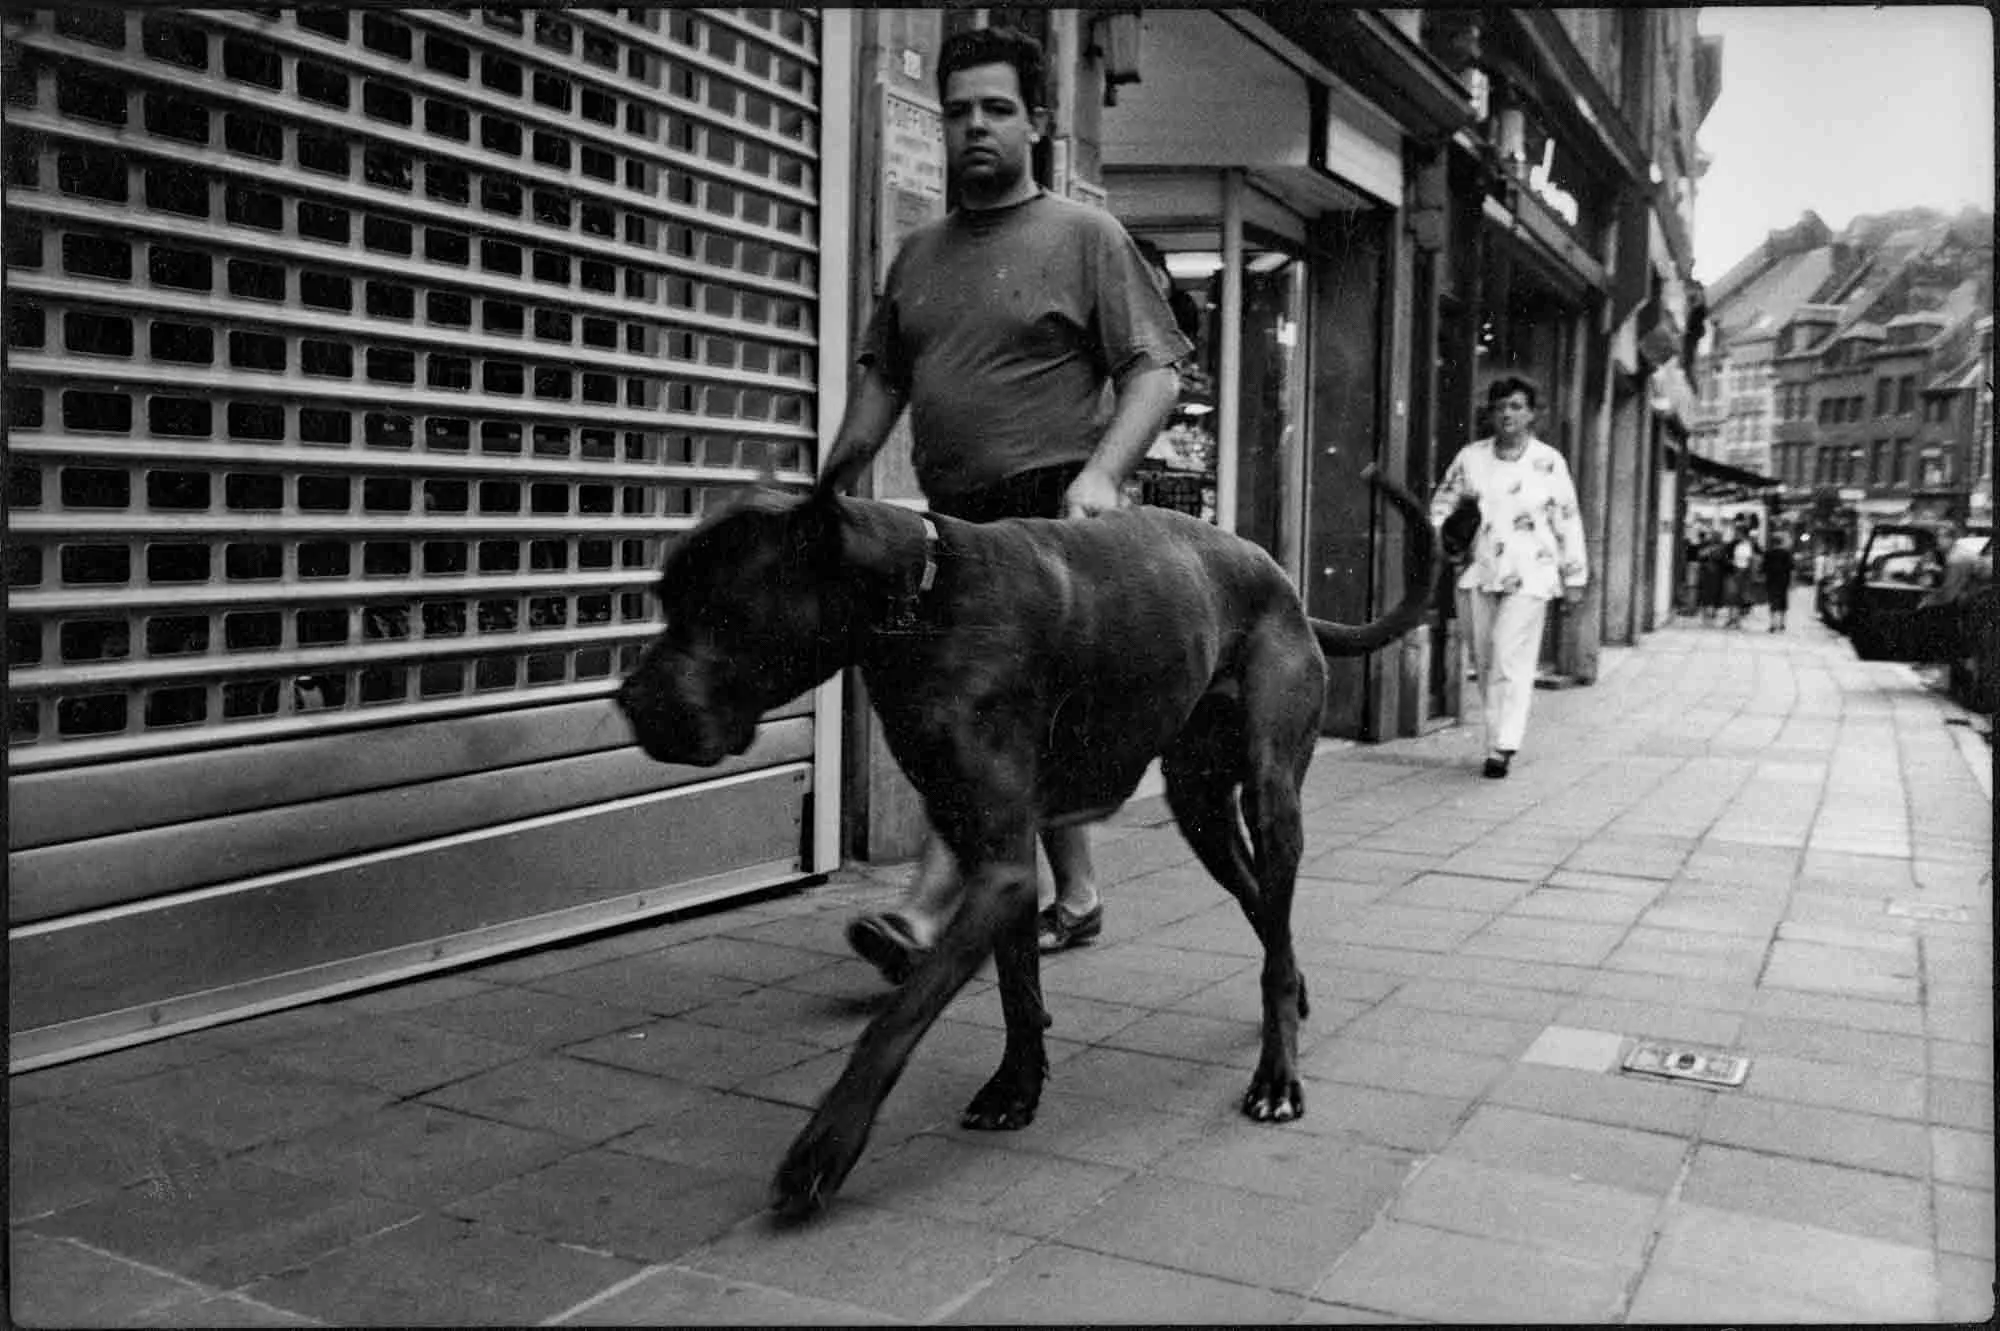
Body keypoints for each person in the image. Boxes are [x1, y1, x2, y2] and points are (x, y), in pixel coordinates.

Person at [818, 26, 1191, 983]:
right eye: (958, 111)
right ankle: (1079, 896)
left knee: (982, 717)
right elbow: (882, 384)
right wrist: (832, 482)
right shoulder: (918, 255)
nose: (974, 127)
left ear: (1038, 122)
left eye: (996, 109)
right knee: (1026, 724)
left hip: (1052, 523)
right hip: (952, 521)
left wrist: (1101, 475)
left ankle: (921, 913)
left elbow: (1155, 372)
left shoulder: (1085, 236)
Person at [1429, 375, 1588, 778]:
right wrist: (1445, 536)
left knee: (1506, 654)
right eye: (1500, 407)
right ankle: (1497, 739)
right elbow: (1441, 505)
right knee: (1485, 659)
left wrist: (1575, 576)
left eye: (1516, 406)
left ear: (1531, 414)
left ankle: (1502, 744)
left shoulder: (1549, 462)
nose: (1507, 414)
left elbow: (1568, 519)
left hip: (1532, 572)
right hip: (1479, 570)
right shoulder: (1471, 458)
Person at [1722, 514, 1761, 629]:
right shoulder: (1734, 544)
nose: (1736, 534)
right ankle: (1732, 618)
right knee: (1732, 596)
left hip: (1743, 573)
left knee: (1738, 597)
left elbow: (1754, 558)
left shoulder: (1749, 544)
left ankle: (1736, 619)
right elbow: (1726, 556)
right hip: (1734, 571)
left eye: (1738, 532)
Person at [1763, 529, 1797, 631]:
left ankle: (1773, 624)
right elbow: (1792, 569)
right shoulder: (1786, 554)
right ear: (1781, 542)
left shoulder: (1768, 553)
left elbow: (1764, 568)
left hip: (1771, 581)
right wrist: (1792, 582)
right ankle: (1782, 624)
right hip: (1783, 581)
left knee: (1773, 602)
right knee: (1783, 602)